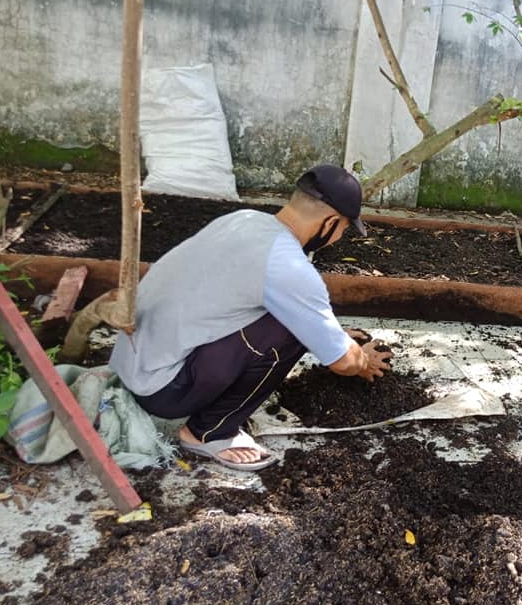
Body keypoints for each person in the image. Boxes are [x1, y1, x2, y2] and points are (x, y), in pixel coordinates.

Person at [110, 164, 393, 470]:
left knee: (294, 318)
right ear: (330, 222)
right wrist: (362, 360)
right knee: (291, 329)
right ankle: (209, 432)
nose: (337, 238)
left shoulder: (243, 220)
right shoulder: (287, 266)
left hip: (132, 363)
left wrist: (331, 334)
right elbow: (343, 362)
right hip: (162, 390)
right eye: (342, 230)